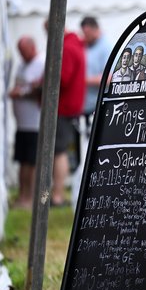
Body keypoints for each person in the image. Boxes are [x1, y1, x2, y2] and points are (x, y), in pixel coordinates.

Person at [44, 21, 87, 206]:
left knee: (58, 151)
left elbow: (62, 79)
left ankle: (58, 195)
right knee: (59, 151)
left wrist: (42, 84)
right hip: (70, 107)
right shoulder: (74, 45)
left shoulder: (68, 48)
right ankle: (58, 193)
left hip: (64, 107)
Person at [8, 36, 45, 209]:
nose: (21, 55)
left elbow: (42, 89)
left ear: (32, 47)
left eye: (23, 52)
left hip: (34, 122)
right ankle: (23, 195)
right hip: (22, 123)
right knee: (23, 161)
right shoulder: (23, 64)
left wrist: (21, 94)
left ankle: (30, 198)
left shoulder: (41, 62)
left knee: (31, 162)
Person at [80, 16, 111, 116]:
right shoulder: (87, 45)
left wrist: (81, 80)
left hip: (100, 106)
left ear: (95, 29)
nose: (85, 37)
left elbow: (110, 78)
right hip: (86, 107)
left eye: (87, 34)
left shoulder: (107, 46)